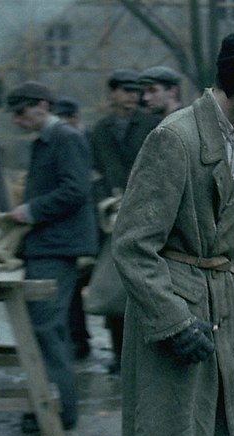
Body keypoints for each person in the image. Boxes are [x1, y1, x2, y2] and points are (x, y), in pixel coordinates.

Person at [112, 31, 234, 436]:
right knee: (178, 432)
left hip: (233, 309)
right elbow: (132, 245)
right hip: (179, 311)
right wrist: (173, 322)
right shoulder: (174, 138)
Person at [5, 81, 98, 432]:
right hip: (47, 246)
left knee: (47, 329)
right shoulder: (47, 140)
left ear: (42, 106)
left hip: (57, 248)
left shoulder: (65, 138)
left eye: (21, 112)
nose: (17, 120)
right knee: (42, 329)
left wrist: (30, 211)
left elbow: (76, 190)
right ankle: (46, 404)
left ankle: (60, 412)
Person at [89, 68, 161, 374]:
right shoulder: (99, 130)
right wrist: (104, 201)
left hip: (146, 215)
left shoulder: (152, 125)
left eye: (136, 91)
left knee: (144, 286)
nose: (132, 97)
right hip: (110, 217)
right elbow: (93, 173)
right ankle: (119, 353)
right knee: (113, 286)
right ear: (112, 94)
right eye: (126, 91)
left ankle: (145, 354)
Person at [50, 95, 94, 359]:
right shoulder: (62, 141)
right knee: (75, 285)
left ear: (74, 118)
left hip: (99, 221)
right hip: (76, 225)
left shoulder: (87, 140)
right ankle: (79, 338)